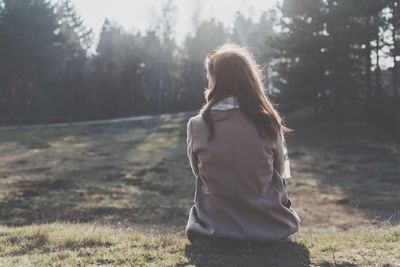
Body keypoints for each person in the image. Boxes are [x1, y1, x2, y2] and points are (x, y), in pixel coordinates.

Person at [184, 43, 300, 246]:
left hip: (214, 226)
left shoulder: (196, 124)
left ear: (216, 80)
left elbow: (198, 172)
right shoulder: (269, 122)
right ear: (249, 79)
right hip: (267, 224)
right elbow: (280, 171)